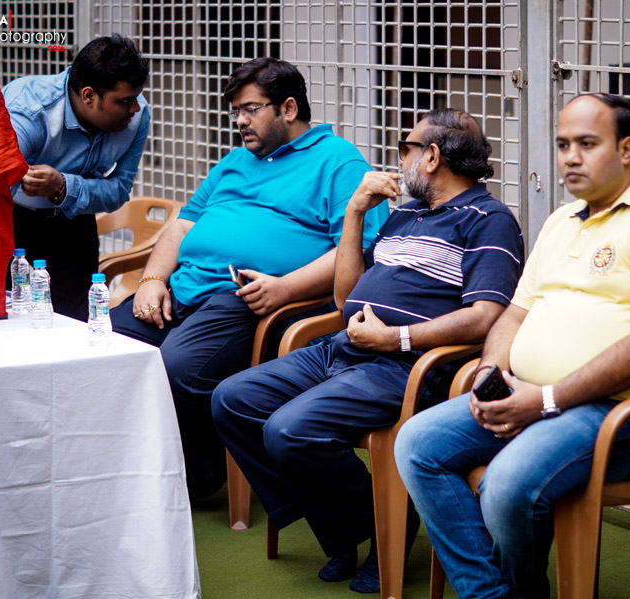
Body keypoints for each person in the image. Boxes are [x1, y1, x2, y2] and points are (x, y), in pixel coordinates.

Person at [394, 93, 630, 599]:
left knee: (506, 484)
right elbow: (514, 315)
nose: (571, 157)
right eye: (564, 144)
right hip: (530, 395)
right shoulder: (561, 221)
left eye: (588, 144)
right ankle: (490, 594)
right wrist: (489, 374)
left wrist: (545, 400)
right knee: (417, 443)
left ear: (627, 149)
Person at [212, 108, 524, 593]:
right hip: (343, 348)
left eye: (405, 148)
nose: (398, 160)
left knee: (289, 430)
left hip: (405, 365)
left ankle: (373, 528)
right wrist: (355, 212)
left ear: (432, 157)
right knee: (233, 400)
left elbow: (486, 316)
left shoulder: (491, 220)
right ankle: (354, 526)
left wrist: (395, 339)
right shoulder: (406, 214)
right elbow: (345, 299)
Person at [110, 57, 389, 500]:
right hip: (181, 289)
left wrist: (285, 287)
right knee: (104, 348)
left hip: (245, 298)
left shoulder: (338, 162)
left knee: (176, 367)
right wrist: (152, 280)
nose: (240, 121)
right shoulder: (234, 161)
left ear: (289, 109)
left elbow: (355, 251)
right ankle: (119, 467)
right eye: (235, 111)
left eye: (250, 109)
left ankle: (197, 475)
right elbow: (181, 226)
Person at [3, 34, 150, 320]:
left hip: (75, 223)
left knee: (73, 325)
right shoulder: (30, 111)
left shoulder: (138, 115)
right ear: (88, 96)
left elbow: (119, 190)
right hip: (11, 219)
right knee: (4, 317)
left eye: (136, 97)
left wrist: (63, 187)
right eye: (124, 100)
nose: (134, 108)